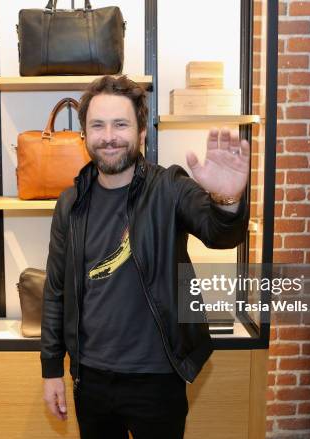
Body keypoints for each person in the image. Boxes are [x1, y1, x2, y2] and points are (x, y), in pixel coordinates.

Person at [40, 75, 250, 438]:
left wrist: (226, 202)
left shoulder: (169, 187)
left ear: (141, 134)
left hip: (158, 377)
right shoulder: (70, 204)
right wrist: (51, 369)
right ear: (84, 135)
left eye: (121, 124)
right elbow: (56, 290)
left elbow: (220, 235)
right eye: (98, 125)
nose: (109, 136)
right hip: (90, 379)